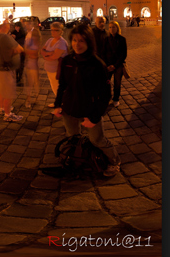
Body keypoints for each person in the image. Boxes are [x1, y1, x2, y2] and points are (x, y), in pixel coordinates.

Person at [53, 24, 121, 177]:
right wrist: (58, 104)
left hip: (90, 110)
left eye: (82, 41)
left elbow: (105, 95)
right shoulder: (67, 61)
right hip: (69, 109)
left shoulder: (97, 64)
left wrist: (94, 117)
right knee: (73, 137)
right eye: (75, 40)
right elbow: (63, 85)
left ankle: (114, 161)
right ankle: (78, 159)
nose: (77, 44)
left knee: (97, 140)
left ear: (89, 42)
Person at [0, 20, 23, 122]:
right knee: (8, 93)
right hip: (7, 69)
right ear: (5, 27)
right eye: (8, 26)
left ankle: (2, 108)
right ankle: (8, 114)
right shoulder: (5, 37)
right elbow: (19, 48)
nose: (10, 28)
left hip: (0, 67)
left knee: (2, 90)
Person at [41, 21, 69, 108]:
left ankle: (62, 105)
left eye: (56, 30)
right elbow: (42, 50)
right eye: (52, 30)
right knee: (53, 86)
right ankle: (58, 102)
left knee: (58, 88)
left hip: (57, 70)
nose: (53, 32)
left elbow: (55, 56)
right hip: (49, 68)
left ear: (61, 31)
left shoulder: (61, 42)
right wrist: (50, 53)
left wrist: (47, 54)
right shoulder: (50, 40)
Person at [22, 17, 43, 108]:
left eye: (27, 24)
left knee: (31, 81)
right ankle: (35, 98)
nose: (26, 26)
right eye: (25, 24)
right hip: (30, 59)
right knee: (33, 81)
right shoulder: (29, 33)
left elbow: (35, 50)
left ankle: (30, 99)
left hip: (32, 60)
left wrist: (26, 50)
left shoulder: (34, 33)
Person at [106, 21, 127, 107]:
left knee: (117, 83)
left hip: (118, 65)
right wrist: (108, 65)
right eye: (110, 27)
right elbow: (104, 53)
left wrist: (115, 65)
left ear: (117, 28)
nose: (111, 29)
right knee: (106, 82)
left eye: (113, 27)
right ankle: (107, 97)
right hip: (108, 65)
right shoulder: (106, 39)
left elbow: (124, 54)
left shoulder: (122, 39)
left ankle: (116, 98)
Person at [10, 19, 27, 86]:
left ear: (20, 27)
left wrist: (16, 37)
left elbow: (23, 40)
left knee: (21, 65)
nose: (16, 27)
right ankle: (16, 77)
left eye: (17, 26)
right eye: (15, 26)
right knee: (16, 64)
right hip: (15, 51)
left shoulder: (23, 33)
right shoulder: (13, 32)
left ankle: (19, 77)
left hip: (21, 51)